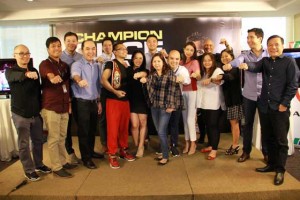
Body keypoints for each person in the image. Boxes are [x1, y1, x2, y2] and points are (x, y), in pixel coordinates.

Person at [239, 35, 299, 186]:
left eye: (276, 45)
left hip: (280, 108)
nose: (273, 47)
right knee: (268, 138)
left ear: (282, 46)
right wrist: (247, 66)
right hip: (265, 107)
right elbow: (255, 66)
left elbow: (293, 85)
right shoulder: (265, 61)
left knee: (281, 140)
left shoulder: (289, 62)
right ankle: (271, 164)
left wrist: (284, 104)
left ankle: (280, 170)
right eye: (270, 45)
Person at [5, 44, 51, 181]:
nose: (24, 56)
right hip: (20, 114)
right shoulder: (10, 71)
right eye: (21, 53)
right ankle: (29, 170)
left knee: (38, 141)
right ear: (15, 55)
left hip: (35, 114)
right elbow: (14, 77)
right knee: (24, 144)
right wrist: (26, 74)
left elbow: (38, 91)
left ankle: (39, 164)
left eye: (27, 53)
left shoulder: (35, 70)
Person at [223, 28, 269, 163]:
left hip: (265, 96)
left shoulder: (268, 54)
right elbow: (237, 61)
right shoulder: (245, 54)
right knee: (247, 125)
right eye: (247, 38)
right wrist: (229, 65)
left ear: (260, 38)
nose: (248, 40)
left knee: (265, 126)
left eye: (251, 37)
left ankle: (266, 153)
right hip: (248, 96)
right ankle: (246, 151)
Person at [39, 37, 77, 178]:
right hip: (51, 107)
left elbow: (66, 86)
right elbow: (48, 73)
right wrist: (52, 77)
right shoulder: (45, 64)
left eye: (58, 46)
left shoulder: (64, 65)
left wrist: (69, 105)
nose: (56, 48)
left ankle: (63, 161)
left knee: (62, 137)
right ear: (48, 49)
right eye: (53, 46)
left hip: (64, 106)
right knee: (54, 138)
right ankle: (56, 167)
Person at [140, 53, 183, 165]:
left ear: (163, 62)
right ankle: (165, 151)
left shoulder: (169, 73)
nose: (156, 63)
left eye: (159, 61)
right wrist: (145, 81)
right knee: (159, 131)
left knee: (161, 132)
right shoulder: (152, 75)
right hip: (155, 106)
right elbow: (149, 89)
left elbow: (173, 90)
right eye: (154, 61)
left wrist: (171, 105)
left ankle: (165, 155)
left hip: (165, 107)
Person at [101, 42, 136, 169]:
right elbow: (104, 79)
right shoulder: (111, 63)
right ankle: (112, 154)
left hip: (125, 101)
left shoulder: (127, 65)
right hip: (113, 100)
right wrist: (115, 91)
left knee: (123, 127)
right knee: (113, 128)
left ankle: (123, 149)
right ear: (115, 52)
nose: (124, 51)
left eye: (125, 49)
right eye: (121, 49)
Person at [71, 40, 102, 169]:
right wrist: (79, 81)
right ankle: (86, 158)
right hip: (82, 103)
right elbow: (75, 75)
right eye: (87, 49)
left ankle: (91, 152)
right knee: (84, 131)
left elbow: (98, 85)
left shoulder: (96, 65)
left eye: (93, 48)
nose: (91, 51)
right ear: (82, 50)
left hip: (94, 102)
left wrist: (99, 101)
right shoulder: (77, 64)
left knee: (92, 130)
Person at [215, 49, 244, 155]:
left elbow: (230, 77)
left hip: (235, 101)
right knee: (233, 124)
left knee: (234, 124)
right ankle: (235, 144)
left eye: (227, 56)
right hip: (229, 101)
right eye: (222, 57)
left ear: (232, 57)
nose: (224, 58)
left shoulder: (235, 68)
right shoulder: (223, 69)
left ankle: (235, 145)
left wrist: (221, 77)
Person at [60, 31, 83, 165]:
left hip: (79, 96)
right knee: (66, 128)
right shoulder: (60, 57)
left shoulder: (81, 57)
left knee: (82, 126)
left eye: (74, 41)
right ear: (64, 42)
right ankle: (70, 153)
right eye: (68, 41)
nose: (71, 43)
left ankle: (86, 152)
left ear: (77, 42)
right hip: (65, 97)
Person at [198, 53, 225, 160]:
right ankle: (210, 145)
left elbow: (219, 80)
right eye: (205, 60)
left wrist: (210, 79)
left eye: (209, 60)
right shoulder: (203, 72)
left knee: (214, 127)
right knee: (208, 125)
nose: (207, 62)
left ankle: (214, 150)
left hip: (214, 104)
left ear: (213, 61)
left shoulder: (217, 70)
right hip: (204, 104)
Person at [168, 50, 191, 156]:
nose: (174, 61)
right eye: (172, 58)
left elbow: (187, 80)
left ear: (179, 60)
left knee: (174, 124)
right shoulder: (163, 68)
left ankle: (174, 145)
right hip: (163, 101)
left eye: (177, 59)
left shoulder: (182, 69)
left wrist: (181, 79)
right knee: (162, 125)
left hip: (176, 100)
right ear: (168, 58)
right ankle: (163, 145)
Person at [180, 43, 201, 155]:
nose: (189, 52)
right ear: (184, 50)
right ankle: (187, 142)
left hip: (192, 92)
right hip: (182, 92)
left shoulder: (195, 62)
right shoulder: (181, 63)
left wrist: (196, 75)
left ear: (194, 52)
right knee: (184, 120)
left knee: (190, 119)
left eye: (191, 50)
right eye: (187, 49)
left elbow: (198, 75)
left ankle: (193, 143)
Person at [127, 50, 149, 158]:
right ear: (132, 59)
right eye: (136, 58)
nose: (138, 60)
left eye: (141, 58)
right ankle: (136, 145)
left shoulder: (146, 71)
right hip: (131, 101)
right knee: (134, 125)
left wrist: (142, 74)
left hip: (142, 101)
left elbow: (145, 73)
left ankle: (141, 146)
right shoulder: (127, 70)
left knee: (143, 123)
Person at [97, 37, 115, 153]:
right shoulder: (97, 60)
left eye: (109, 45)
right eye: (105, 45)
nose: (107, 47)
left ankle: (114, 142)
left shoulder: (117, 58)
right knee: (103, 118)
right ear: (102, 47)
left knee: (114, 118)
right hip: (103, 91)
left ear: (112, 46)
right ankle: (104, 143)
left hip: (115, 91)